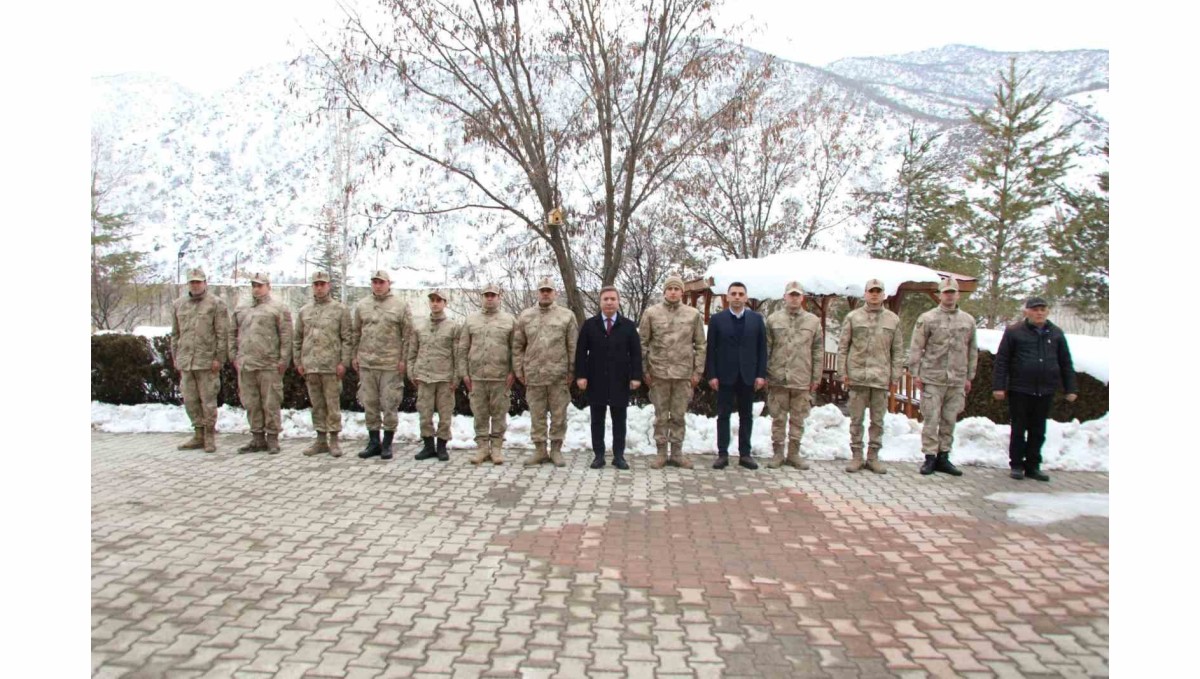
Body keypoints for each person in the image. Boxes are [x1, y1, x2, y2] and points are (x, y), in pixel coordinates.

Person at [992, 296, 1078, 481]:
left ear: (1047, 311)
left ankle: (1033, 466)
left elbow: (1065, 362)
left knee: (1038, 430)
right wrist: (999, 386)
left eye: (1042, 309)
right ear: (1027, 311)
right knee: (1018, 428)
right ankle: (1016, 464)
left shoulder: (1056, 333)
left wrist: (1071, 388)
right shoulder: (1014, 332)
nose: (1039, 313)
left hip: (1045, 389)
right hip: (1020, 388)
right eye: (1035, 309)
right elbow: (1002, 361)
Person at [908, 277, 978, 476]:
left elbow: (972, 349)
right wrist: (915, 373)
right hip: (933, 377)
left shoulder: (968, 320)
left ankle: (944, 456)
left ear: (957, 294)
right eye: (945, 292)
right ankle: (930, 457)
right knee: (931, 419)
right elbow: (916, 346)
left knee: (949, 420)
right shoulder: (927, 318)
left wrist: (969, 376)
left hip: (956, 379)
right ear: (940, 294)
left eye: (952, 292)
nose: (949, 295)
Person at [638, 274, 705, 469]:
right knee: (660, 416)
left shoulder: (693, 315)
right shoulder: (651, 313)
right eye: (670, 288)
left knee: (678, 415)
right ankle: (660, 453)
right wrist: (644, 371)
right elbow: (642, 343)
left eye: (677, 289)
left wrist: (697, 373)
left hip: (683, 375)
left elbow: (701, 344)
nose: (673, 292)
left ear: (682, 292)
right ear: (665, 291)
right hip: (659, 373)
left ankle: (676, 453)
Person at [837, 278, 904, 474]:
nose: (874, 295)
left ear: (884, 295)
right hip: (858, 377)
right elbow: (843, 347)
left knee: (877, 421)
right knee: (856, 420)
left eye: (878, 291)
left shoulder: (893, 320)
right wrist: (843, 372)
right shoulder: (853, 317)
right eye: (871, 291)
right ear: (865, 294)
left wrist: (895, 376)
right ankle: (857, 456)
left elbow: (898, 350)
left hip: (880, 378)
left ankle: (873, 457)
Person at [575, 286, 643, 470]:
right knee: (597, 419)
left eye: (613, 299)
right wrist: (580, 375)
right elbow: (581, 352)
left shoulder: (628, 326)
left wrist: (636, 376)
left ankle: (619, 456)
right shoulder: (590, 325)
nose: (609, 302)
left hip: (620, 379)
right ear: (600, 302)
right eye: (606, 299)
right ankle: (599, 455)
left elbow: (636, 353)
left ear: (618, 301)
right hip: (595, 379)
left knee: (619, 419)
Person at [513, 277, 578, 467]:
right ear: (538, 292)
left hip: (558, 375)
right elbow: (517, 346)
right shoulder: (525, 316)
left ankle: (556, 450)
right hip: (534, 375)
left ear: (555, 293)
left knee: (559, 414)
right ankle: (540, 450)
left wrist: (572, 370)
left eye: (549, 290)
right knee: (537, 414)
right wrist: (519, 371)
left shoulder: (567, 316)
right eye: (542, 290)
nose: (546, 293)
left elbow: (572, 345)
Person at [704, 282, 768, 470]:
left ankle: (745, 454)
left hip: (748, 376)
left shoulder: (756, 319)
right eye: (734, 293)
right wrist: (712, 374)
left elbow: (762, 349)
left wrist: (760, 374)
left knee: (746, 416)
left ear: (746, 297)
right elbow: (711, 350)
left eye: (741, 294)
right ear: (728, 297)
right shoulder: (717, 319)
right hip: (724, 375)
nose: (737, 297)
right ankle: (722, 454)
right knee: (723, 415)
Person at [352, 270, 412, 461]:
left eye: (381, 282)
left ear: (388, 283)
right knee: (369, 403)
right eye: (375, 282)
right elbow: (355, 333)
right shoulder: (362, 306)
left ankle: (387, 443)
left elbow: (409, 336)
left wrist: (404, 360)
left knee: (389, 402)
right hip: (368, 364)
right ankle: (373, 442)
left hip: (390, 364)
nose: (378, 285)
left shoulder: (400, 306)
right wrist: (355, 355)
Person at [764, 281, 823, 470]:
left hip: (801, 378)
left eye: (797, 295)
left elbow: (817, 350)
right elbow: (766, 348)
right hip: (778, 377)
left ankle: (794, 454)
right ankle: (778, 453)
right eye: (791, 294)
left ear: (802, 298)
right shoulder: (773, 320)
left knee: (798, 419)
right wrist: (764, 373)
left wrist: (816, 378)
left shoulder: (813, 321)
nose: (794, 298)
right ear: (785, 297)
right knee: (778, 418)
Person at [232, 272, 293, 454]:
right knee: (251, 403)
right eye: (254, 285)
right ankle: (257, 438)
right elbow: (231, 332)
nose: (256, 289)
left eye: (260, 285)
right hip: (247, 364)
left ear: (268, 286)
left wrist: (283, 360)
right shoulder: (242, 308)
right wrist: (234, 356)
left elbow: (286, 335)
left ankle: (272, 438)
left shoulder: (278, 308)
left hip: (269, 364)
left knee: (271, 403)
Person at [294, 271, 353, 457]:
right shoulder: (304, 311)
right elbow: (297, 339)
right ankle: (320, 440)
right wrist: (299, 362)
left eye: (322, 284)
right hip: (311, 366)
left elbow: (347, 339)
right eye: (316, 284)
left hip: (331, 366)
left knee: (332, 404)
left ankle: (334, 440)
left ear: (329, 286)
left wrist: (344, 362)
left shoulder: (340, 310)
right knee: (317, 404)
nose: (319, 288)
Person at [170, 267, 229, 453]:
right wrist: (175, 356)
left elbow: (222, 333)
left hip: (206, 361)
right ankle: (198, 434)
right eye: (192, 282)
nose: (195, 285)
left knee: (208, 400)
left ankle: (209, 435)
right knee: (190, 399)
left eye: (198, 281)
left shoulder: (215, 304)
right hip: (186, 360)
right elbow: (175, 333)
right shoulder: (178, 304)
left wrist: (219, 357)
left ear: (205, 283)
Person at [459, 283, 517, 465]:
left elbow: (516, 349)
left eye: (493, 295)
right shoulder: (471, 320)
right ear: (482, 297)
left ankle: (497, 448)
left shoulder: (510, 321)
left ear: (499, 297)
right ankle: (482, 448)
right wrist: (464, 374)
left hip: (500, 377)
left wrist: (513, 372)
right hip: (477, 377)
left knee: (499, 414)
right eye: (486, 295)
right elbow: (462, 348)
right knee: (480, 414)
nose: (489, 298)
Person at [408, 289, 461, 462]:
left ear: (445, 303)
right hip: (424, 377)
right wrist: (412, 371)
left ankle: (442, 447)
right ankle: (428, 445)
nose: (435, 303)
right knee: (425, 413)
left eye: (439, 300)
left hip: (444, 378)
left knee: (445, 415)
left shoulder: (453, 327)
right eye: (432, 300)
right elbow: (413, 351)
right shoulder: (419, 326)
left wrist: (456, 377)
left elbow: (457, 354)